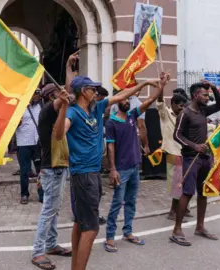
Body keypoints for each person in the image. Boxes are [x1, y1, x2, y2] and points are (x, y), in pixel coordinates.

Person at [62, 75, 159, 270]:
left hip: (93, 173)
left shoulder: (96, 109)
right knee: (90, 228)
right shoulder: (73, 113)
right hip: (83, 174)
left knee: (81, 222)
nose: (97, 93)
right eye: (93, 89)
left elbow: (126, 95)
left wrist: (146, 83)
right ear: (83, 92)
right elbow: (60, 131)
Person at [103, 73, 170, 253]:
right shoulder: (111, 123)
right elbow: (110, 148)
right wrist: (113, 170)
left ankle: (128, 232)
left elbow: (151, 99)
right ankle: (109, 236)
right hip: (121, 170)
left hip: (134, 167)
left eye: (129, 98)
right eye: (124, 98)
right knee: (117, 202)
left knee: (131, 201)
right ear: (118, 101)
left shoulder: (133, 114)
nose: (127, 101)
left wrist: (161, 84)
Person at [170, 81, 220, 246]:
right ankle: (176, 230)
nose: (208, 97)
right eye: (205, 94)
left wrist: (213, 87)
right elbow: (177, 136)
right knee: (187, 193)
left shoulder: (203, 110)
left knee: (203, 192)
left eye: (208, 95)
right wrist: (194, 146)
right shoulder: (185, 113)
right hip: (190, 158)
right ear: (195, 95)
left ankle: (200, 227)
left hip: (204, 158)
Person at [31, 83, 72, 270]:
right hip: (52, 168)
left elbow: (67, 92)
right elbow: (59, 103)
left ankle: (51, 244)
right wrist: (62, 101)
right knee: (49, 210)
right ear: (50, 97)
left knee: (54, 209)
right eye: (57, 92)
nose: (63, 94)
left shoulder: (57, 112)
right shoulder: (48, 111)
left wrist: (68, 67)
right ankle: (38, 252)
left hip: (58, 167)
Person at [156, 92, 191, 221]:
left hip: (183, 153)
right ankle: (172, 212)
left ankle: (183, 208)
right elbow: (160, 102)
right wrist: (162, 86)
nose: (182, 108)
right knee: (177, 184)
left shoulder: (184, 117)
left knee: (184, 182)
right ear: (173, 104)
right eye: (180, 106)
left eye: (184, 106)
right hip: (172, 153)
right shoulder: (165, 115)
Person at [16, 90, 42, 204]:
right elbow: (12, 125)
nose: (37, 96)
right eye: (35, 94)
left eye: (38, 94)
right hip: (23, 143)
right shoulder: (19, 107)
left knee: (40, 171)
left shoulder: (40, 106)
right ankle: (24, 194)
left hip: (37, 143)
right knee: (24, 171)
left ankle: (42, 194)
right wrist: (17, 122)